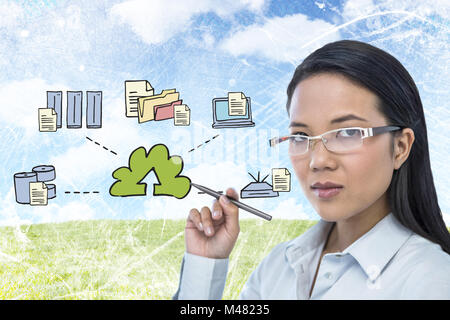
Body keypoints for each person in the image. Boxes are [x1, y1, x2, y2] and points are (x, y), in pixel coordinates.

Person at [173, 40, 450, 299]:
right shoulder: (278, 266)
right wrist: (205, 266)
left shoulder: (431, 280)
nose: (318, 161)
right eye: (300, 137)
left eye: (347, 132)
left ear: (400, 147)